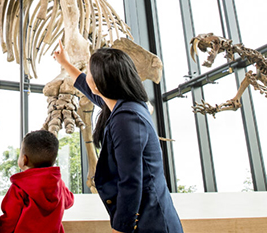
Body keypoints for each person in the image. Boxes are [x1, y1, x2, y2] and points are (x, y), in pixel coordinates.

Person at [53, 44, 183, 233]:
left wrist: (121, 228)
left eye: (89, 70)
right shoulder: (124, 104)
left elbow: (130, 181)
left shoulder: (126, 119)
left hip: (151, 223)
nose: (86, 73)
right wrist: (65, 62)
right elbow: (87, 88)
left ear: (100, 82)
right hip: (151, 217)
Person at [0, 130, 75, 233]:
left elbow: (9, 219)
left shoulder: (19, 187)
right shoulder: (59, 184)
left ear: (24, 159)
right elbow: (69, 201)